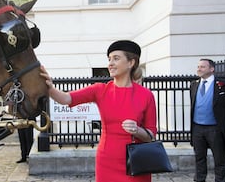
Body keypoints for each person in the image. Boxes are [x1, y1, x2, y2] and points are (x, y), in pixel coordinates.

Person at [40, 40, 157, 182]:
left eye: (116, 58)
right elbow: (66, 99)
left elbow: (150, 136)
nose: (110, 63)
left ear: (131, 63)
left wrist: (137, 130)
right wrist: (49, 87)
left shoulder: (146, 95)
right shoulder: (100, 90)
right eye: (109, 59)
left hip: (136, 163)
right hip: (107, 161)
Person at [190, 59, 225, 182]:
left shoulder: (224, 84)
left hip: (215, 128)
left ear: (211, 69)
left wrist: (222, 117)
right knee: (199, 159)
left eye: (202, 67)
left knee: (220, 160)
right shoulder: (194, 84)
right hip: (197, 128)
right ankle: (199, 180)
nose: (199, 69)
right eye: (198, 66)